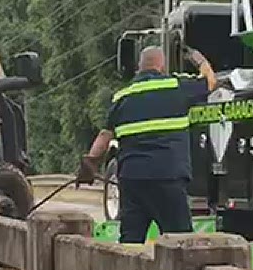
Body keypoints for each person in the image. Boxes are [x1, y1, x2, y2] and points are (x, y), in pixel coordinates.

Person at [83, 45, 218, 243]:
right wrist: (200, 60)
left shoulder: (122, 96)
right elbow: (210, 81)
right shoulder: (175, 87)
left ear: (139, 66)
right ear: (161, 66)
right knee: (180, 242)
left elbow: (105, 135)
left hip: (132, 179)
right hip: (167, 178)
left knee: (130, 242)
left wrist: (90, 163)